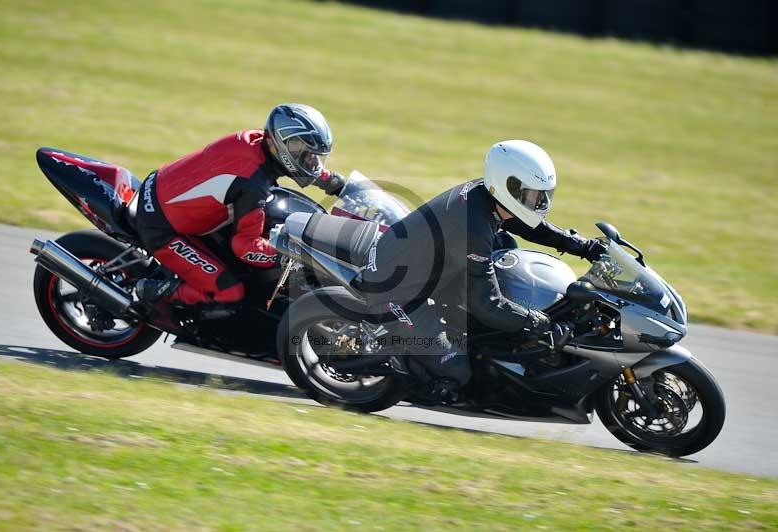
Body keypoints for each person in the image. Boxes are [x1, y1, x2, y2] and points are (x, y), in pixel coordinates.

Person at [359, 140, 607, 403]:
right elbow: (485, 303)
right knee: (458, 372)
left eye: (543, 195)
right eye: (533, 195)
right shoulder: (474, 225)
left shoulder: (487, 196)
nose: (540, 203)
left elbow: (529, 226)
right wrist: (537, 322)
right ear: (508, 186)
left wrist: (582, 245)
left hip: (431, 271)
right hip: (398, 292)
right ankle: (410, 377)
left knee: (505, 250)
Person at [134, 103, 345, 320]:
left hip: (164, 188)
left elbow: (297, 165)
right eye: (309, 155)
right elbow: (244, 247)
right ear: (287, 146)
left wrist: (335, 183)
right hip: (162, 227)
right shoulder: (252, 185)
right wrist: (288, 255)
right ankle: (154, 290)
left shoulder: (258, 141)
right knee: (230, 292)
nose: (314, 163)